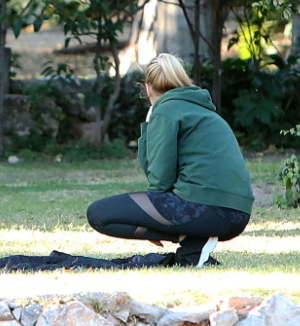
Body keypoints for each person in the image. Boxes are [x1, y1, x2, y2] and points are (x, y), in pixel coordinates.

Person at [86, 53, 253, 267]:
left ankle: (193, 238)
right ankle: (196, 243)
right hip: (237, 215)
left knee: (100, 214)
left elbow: (159, 177)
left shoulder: (166, 110)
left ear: (147, 87)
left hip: (207, 210)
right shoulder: (202, 109)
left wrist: (156, 222)